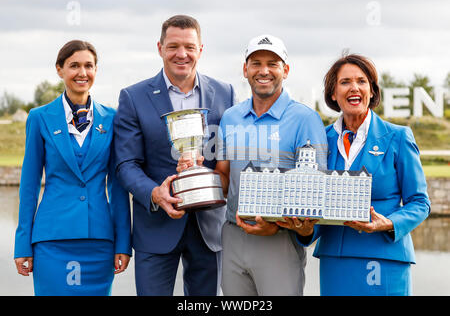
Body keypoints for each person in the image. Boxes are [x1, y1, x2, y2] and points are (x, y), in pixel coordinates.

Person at [180, 35, 328, 295]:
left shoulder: (306, 119)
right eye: (256, 63)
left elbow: (313, 192)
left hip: (278, 239)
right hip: (233, 235)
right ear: (245, 69)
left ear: (286, 70)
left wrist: (278, 224)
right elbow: (224, 177)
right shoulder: (231, 117)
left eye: (273, 63)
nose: (264, 70)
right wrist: (196, 175)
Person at [282, 53, 431, 295]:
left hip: (385, 258)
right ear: (333, 93)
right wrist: (305, 229)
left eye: (362, 81)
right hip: (336, 261)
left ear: (372, 91)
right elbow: (314, 202)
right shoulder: (320, 140)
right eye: (345, 82)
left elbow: (420, 202)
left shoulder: (398, 137)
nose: (354, 88)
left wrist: (389, 223)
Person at [113, 15, 235, 296]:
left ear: (200, 50)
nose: (182, 54)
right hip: (155, 227)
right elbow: (126, 164)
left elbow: (229, 156)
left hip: (210, 227)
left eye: (190, 47)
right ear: (160, 48)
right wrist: (155, 193)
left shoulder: (225, 94)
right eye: (173, 46)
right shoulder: (133, 97)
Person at [14, 40, 132, 296]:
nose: (82, 72)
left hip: (99, 240)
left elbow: (118, 185)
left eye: (88, 66)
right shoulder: (39, 117)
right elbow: (29, 184)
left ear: (96, 70)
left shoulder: (113, 118)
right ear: (59, 70)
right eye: (74, 65)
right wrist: (23, 244)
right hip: (51, 239)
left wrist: (123, 241)